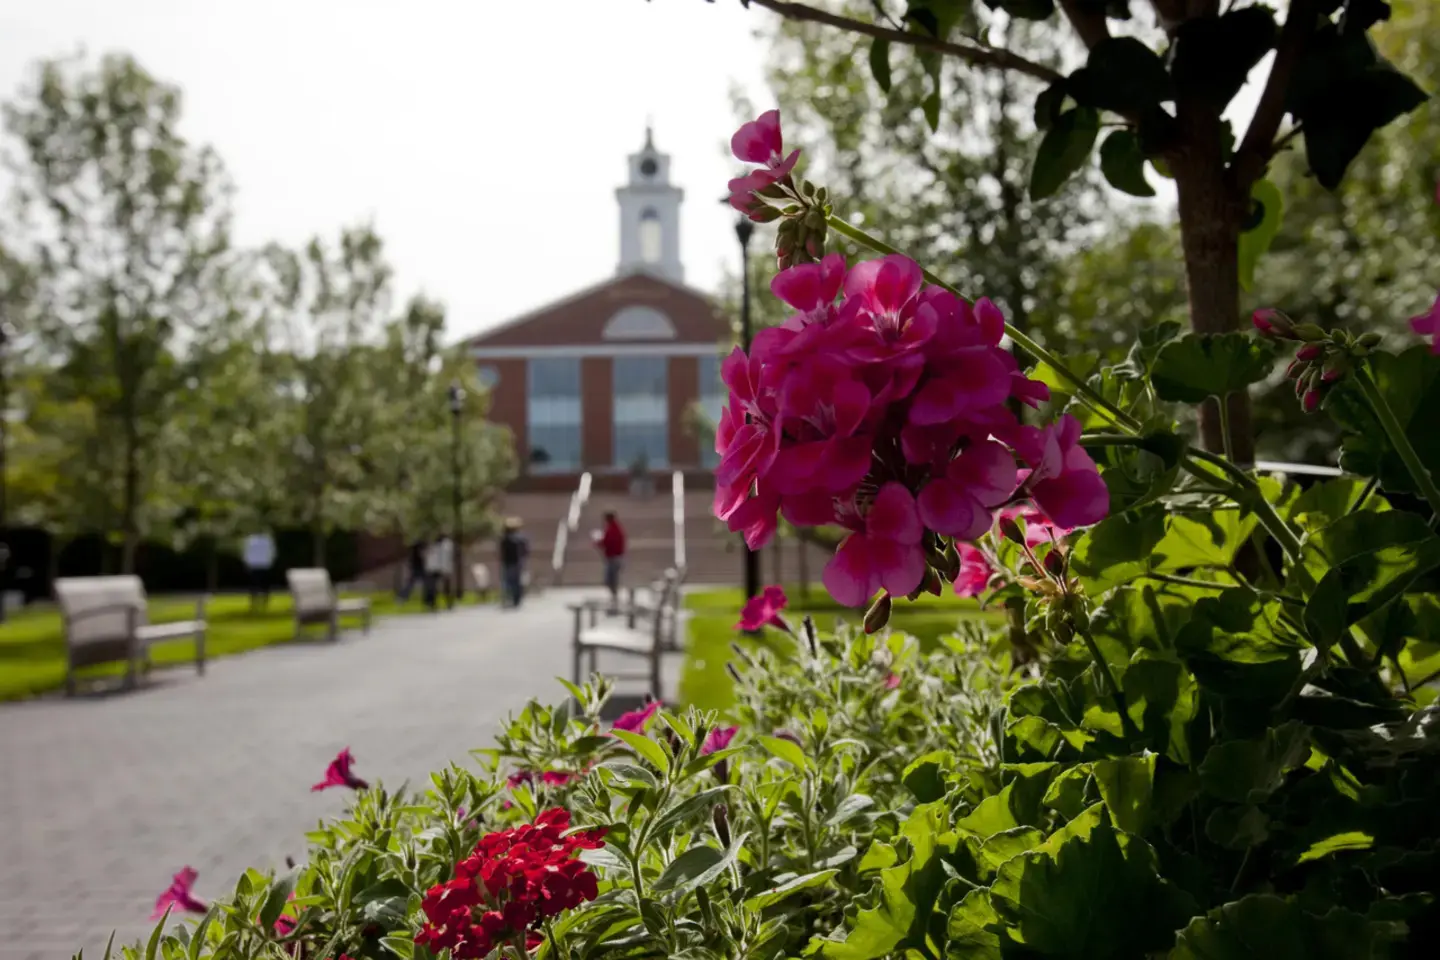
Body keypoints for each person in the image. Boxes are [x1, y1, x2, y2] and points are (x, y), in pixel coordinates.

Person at [596, 511, 627, 612]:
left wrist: (598, 542)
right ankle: (614, 597)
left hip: (613, 557)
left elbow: (608, 542)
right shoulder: (615, 528)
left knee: (611, 579)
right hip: (616, 557)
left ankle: (614, 598)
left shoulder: (612, 529)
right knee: (612, 579)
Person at [498, 518, 529, 609]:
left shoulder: (505, 538)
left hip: (508, 563)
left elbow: (502, 551)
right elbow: (525, 551)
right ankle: (516, 599)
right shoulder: (521, 538)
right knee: (516, 582)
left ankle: (509, 599)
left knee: (508, 582)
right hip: (517, 563)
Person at [242, 529, 276, 611]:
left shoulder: (251, 540)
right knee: (264, 585)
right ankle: (264, 601)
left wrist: (247, 563)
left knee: (254, 585)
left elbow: (246, 552)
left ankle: (254, 602)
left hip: (255, 565)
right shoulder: (267, 540)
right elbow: (272, 552)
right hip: (264, 564)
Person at [398, 539, 426, 603]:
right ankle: (402, 596)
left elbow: (410, 563)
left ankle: (402, 596)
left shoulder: (413, 553)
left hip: (417, 570)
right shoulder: (416, 554)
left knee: (410, 584)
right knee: (410, 584)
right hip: (417, 570)